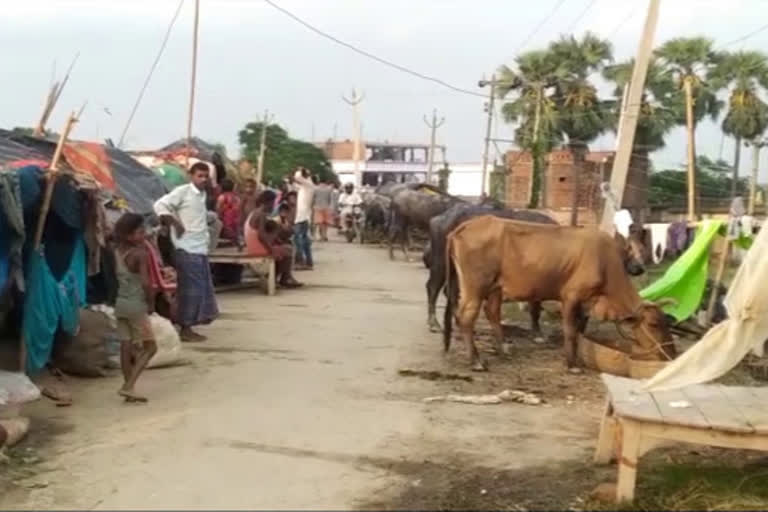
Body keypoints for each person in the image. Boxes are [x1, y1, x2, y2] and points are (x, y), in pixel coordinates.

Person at [154, 162, 219, 342]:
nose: (203, 179)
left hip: (199, 248)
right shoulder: (183, 192)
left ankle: (189, 324)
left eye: (206, 176)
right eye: (200, 176)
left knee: (199, 289)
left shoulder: (202, 195)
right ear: (191, 176)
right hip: (186, 248)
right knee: (191, 290)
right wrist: (175, 223)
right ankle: (186, 327)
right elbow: (160, 205)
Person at [113, 213, 158, 403]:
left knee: (126, 346)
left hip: (121, 304)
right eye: (140, 232)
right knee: (151, 347)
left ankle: (128, 388)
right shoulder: (140, 254)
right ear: (130, 235)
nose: (144, 235)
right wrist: (151, 303)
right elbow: (147, 283)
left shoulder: (117, 251)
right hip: (136, 306)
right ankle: (128, 386)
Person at [244, 190, 302, 288]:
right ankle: (283, 278)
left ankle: (281, 277)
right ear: (267, 202)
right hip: (258, 248)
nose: (273, 206)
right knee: (288, 250)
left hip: (252, 246)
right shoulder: (261, 214)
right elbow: (261, 236)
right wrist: (271, 249)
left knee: (282, 246)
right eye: (272, 203)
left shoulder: (254, 213)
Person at [292, 167, 315, 270]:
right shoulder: (306, 186)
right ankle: (308, 262)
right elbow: (295, 184)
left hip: (302, 216)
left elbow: (297, 177)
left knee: (298, 240)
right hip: (303, 216)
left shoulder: (308, 184)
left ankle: (301, 261)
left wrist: (300, 170)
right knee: (304, 240)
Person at [216, 178, 242, 243]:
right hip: (235, 219)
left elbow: (218, 209)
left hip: (226, 219)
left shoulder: (222, 197)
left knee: (227, 232)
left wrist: (219, 216)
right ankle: (236, 240)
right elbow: (239, 208)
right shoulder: (236, 197)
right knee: (234, 232)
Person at [312, 178, 334, 242]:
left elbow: (313, 198)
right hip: (326, 207)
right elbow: (330, 198)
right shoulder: (329, 189)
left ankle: (321, 236)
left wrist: (312, 205)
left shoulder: (315, 188)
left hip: (317, 207)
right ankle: (325, 235)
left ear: (319, 181)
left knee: (320, 223)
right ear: (326, 182)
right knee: (325, 223)